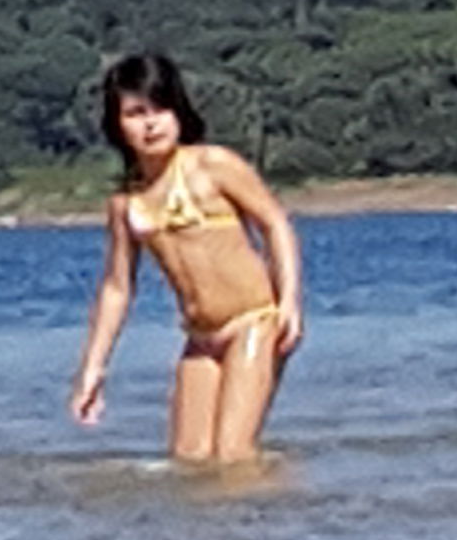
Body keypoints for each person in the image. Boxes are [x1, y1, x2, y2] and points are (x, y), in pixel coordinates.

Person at [71, 50, 306, 464]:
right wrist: (94, 370)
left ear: (178, 111)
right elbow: (117, 288)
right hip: (201, 339)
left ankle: (272, 514)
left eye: (161, 108)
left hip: (253, 321)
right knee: (190, 462)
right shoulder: (127, 204)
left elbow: (275, 224)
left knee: (232, 456)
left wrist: (289, 302)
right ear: (117, 124)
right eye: (135, 113)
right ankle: (253, 510)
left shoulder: (213, 166)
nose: (150, 123)